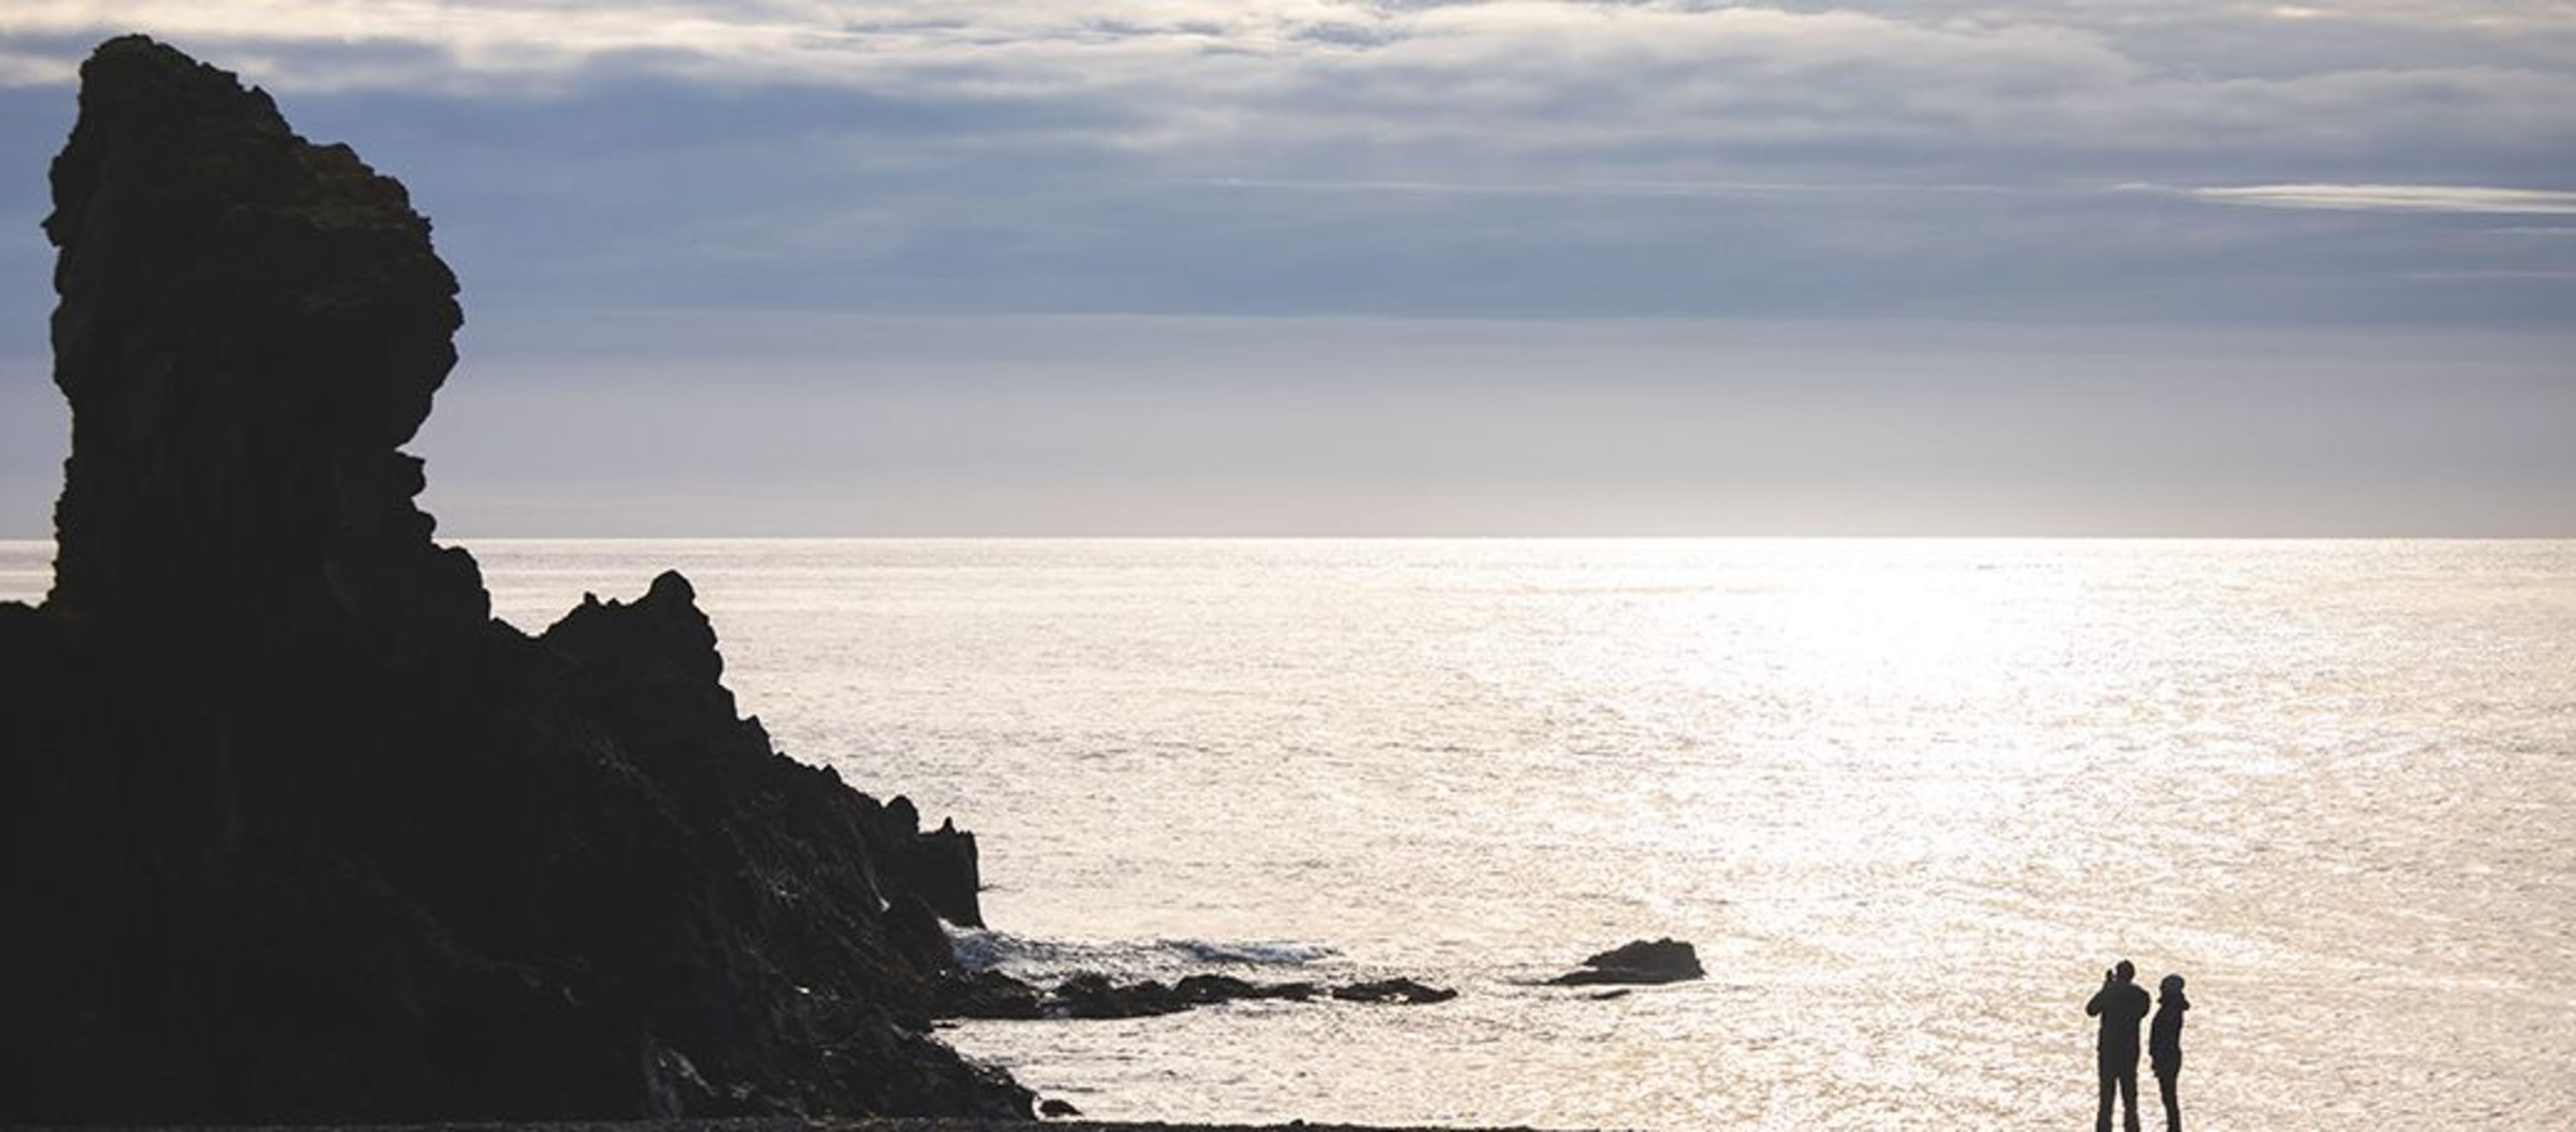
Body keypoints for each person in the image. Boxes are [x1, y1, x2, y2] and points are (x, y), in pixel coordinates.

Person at [2086, 960, 2152, 1132]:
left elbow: (2091, 1010)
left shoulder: (2109, 992)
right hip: (2130, 1049)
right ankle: (2132, 1128)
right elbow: (2143, 1012)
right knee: (2130, 1095)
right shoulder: (2142, 995)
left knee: (2106, 1096)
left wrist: (2106, 988)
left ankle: (2104, 1128)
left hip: (2109, 1049)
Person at [2151, 974, 2190, 1132]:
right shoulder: (2173, 1008)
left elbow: (2163, 1037)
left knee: (2169, 1095)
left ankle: (2174, 1128)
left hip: (2167, 1057)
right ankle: (2173, 1127)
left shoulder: (2170, 1010)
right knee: (2168, 1095)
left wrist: (2157, 1058)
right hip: (2169, 1056)